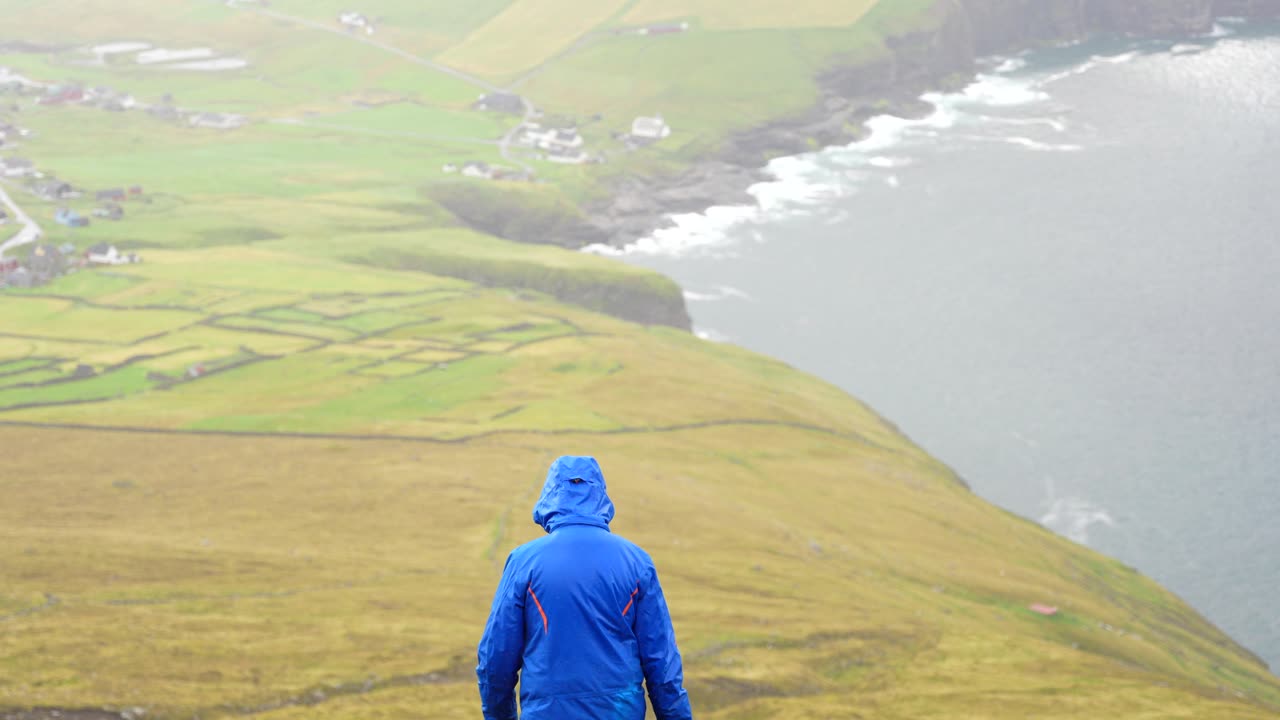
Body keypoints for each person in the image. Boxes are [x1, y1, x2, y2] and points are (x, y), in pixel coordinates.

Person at [477, 455, 694, 720]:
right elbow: (662, 663)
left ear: (551, 493)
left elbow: (495, 661)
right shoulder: (636, 562)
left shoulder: (524, 561)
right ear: (600, 495)